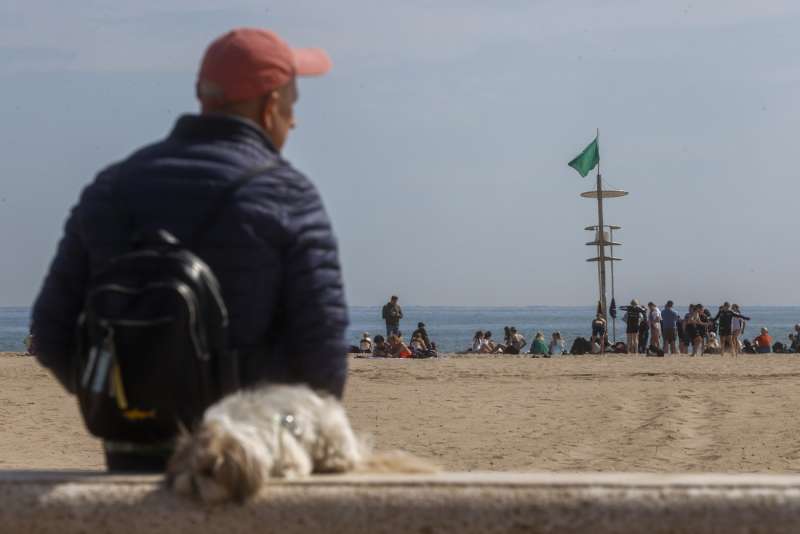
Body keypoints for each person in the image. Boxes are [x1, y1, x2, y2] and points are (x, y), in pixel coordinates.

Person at [30, 28, 345, 472]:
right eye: (291, 107)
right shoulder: (288, 194)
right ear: (270, 106)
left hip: (132, 462)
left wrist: (125, 406)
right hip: (245, 470)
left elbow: (50, 334)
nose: (293, 122)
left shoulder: (112, 187)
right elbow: (323, 360)